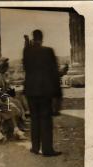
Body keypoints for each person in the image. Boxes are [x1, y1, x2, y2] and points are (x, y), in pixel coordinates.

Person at [23, 29, 62, 157]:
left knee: (35, 120)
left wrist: (27, 46)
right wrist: (58, 95)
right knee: (45, 120)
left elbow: (26, 66)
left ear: (34, 38)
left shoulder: (27, 51)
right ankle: (47, 150)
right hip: (45, 91)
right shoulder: (48, 51)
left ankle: (35, 148)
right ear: (42, 38)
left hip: (31, 91)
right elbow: (54, 73)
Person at [0, 57, 27, 140]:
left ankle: (18, 126)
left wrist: (5, 92)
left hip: (0, 95)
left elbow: (3, 86)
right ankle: (14, 129)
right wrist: (2, 94)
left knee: (15, 102)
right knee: (11, 104)